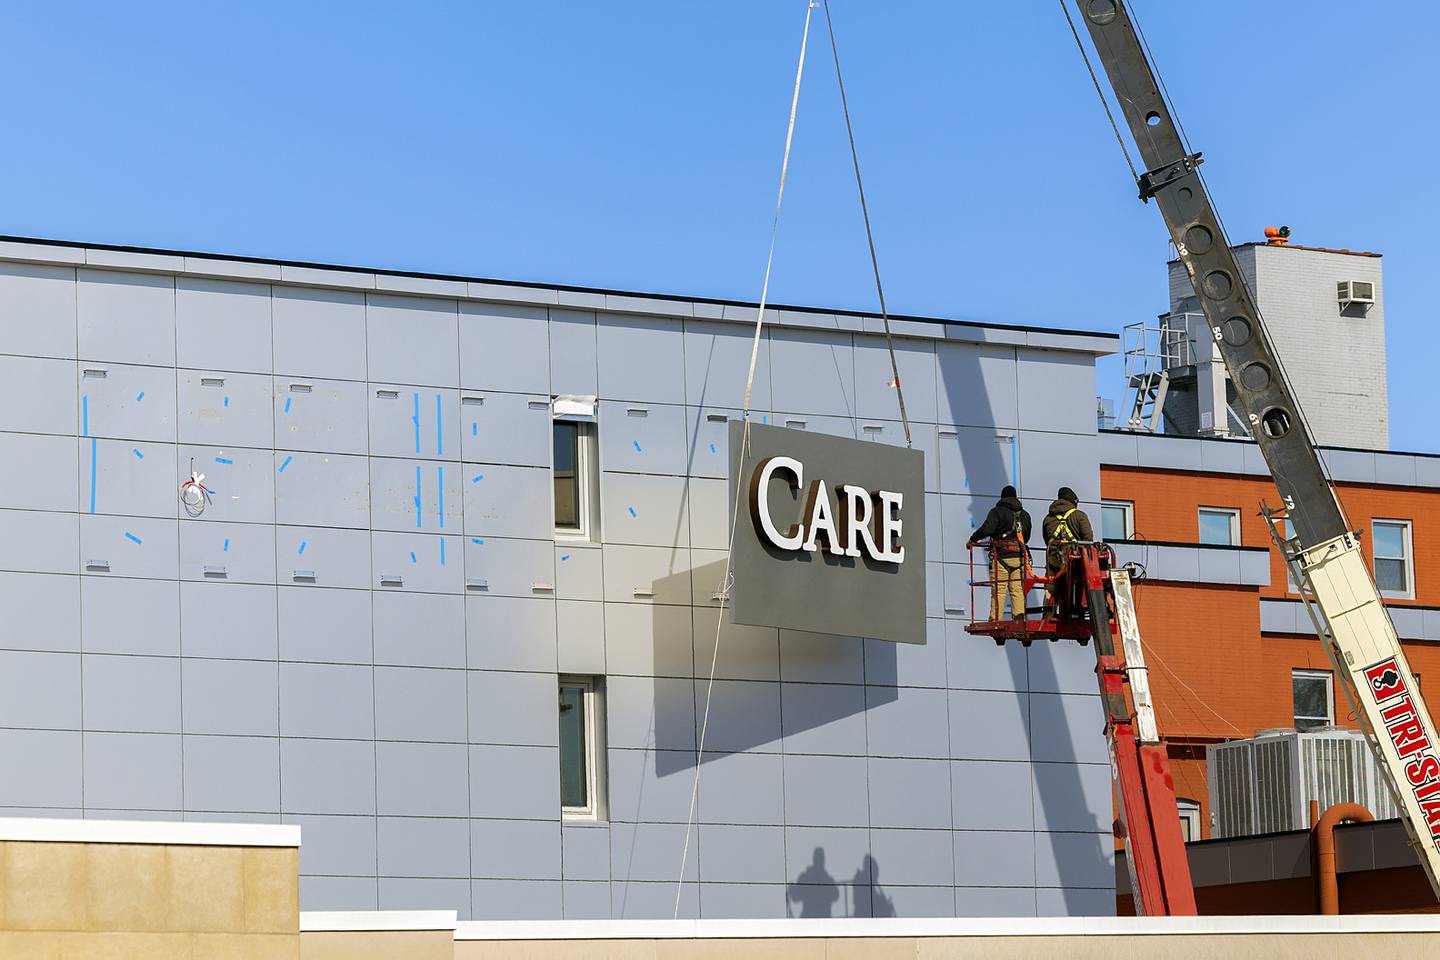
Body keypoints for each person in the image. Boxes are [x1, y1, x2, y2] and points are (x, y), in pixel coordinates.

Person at [966, 485, 1032, 621]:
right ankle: (1019, 619)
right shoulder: (1025, 515)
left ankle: (995, 619)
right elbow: (1027, 536)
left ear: (1002, 498)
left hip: (1001, 556)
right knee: (1017, 590)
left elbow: (986, 529)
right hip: (1019, 557)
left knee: (999, 590)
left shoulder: (997, 512)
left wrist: (973, 539)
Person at [1043, 486, 1094, 579]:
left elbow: (1046, 540)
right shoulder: (1079, 516)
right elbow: (1088, 539)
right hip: (1075, 561)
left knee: (1051, 589)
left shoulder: (1048, 518)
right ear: (1073, 501)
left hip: (1053, 560)